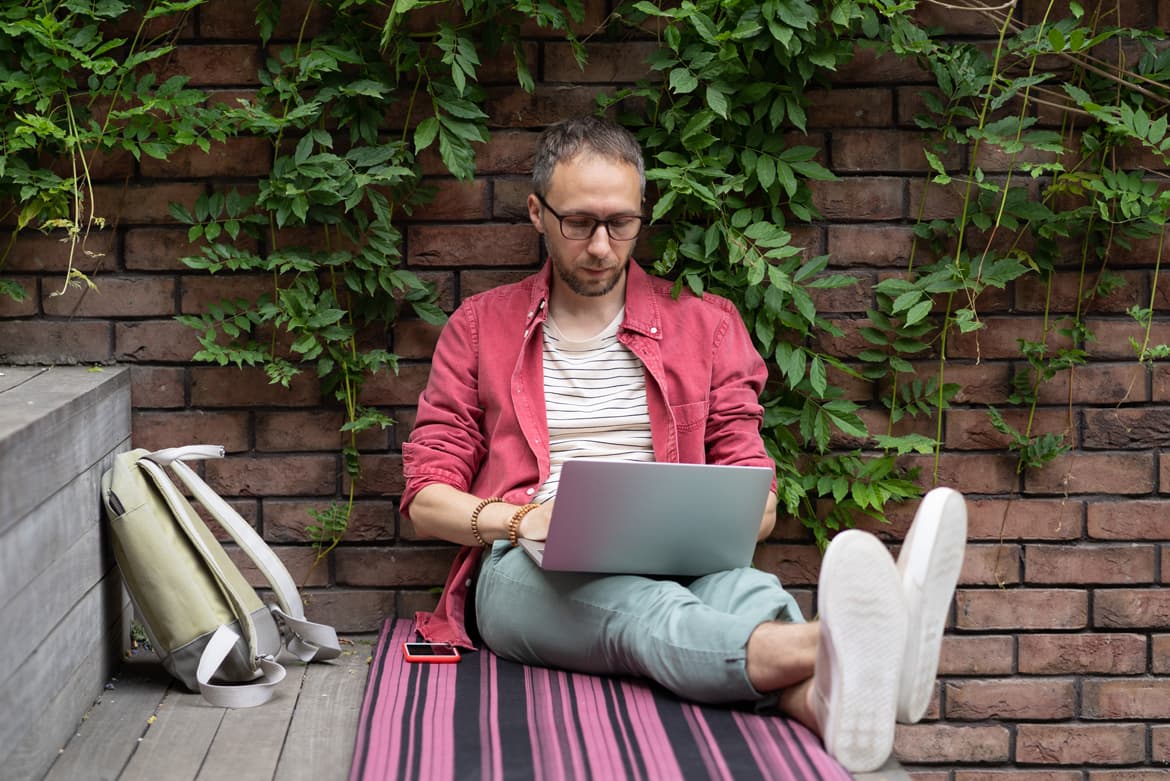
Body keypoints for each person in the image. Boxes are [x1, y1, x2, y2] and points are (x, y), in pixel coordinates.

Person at [401, 116, 967, 773]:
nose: (602, 247)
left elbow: (757, 495)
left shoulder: (706, 324)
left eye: (622, 223)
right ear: (537, 212)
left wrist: (719, 518)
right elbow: (425, 499)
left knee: (749, 594)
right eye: (579, 222)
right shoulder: (479, 327)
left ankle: (824, 700)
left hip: (679, 553)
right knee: (647, 611)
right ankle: (865, 640)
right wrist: (524, 520)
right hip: (522, 570)